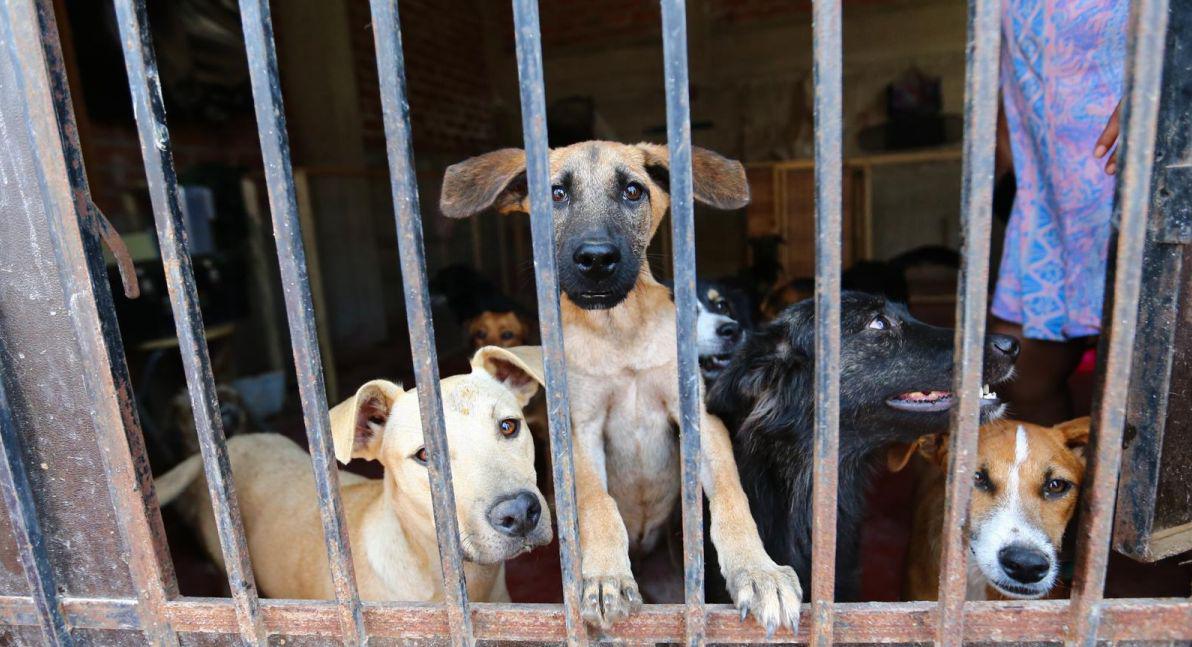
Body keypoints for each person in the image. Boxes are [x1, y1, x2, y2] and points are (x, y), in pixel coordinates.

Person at [990, 0, 1128, 425]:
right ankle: (1074, 488)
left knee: (1152, 388)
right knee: (1019, 377)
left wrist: (1174, 86)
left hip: (1141, 182)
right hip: (1052, 205)